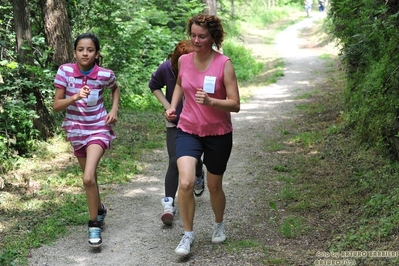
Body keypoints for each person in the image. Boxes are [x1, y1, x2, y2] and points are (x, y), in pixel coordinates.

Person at [165, 14, 240, 256]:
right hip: (188, 130)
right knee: (186, 182)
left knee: (214, 186)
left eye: (202, 36)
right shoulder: (185, 60)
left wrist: (212, 101)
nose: (196, 41)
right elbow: (179, 83)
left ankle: (218, 224)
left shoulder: (223, 64)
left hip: (218, 133)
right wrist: (172, 106)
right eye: (193, 35)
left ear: (213, 38)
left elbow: (235, 104)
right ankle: (187, 235)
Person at [53, 33, 120, 248]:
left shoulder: (104, 74)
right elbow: (56, 105)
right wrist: (75, 97)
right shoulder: (65, 72)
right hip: (76, 130)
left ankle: (93, 225)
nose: (85, 53)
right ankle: (99, 210)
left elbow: (115, 88)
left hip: (99, 127)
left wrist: (114, 110)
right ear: (75, 52)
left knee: (89, 178)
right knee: (88, 178)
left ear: (96, 53)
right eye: (81, 49)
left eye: (90, 50)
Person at [148, 40, 206, 226]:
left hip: (198, 121)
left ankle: (198, 173)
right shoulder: (167, 68)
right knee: (174, 161)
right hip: (175, 122)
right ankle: (168, 205)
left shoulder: (202, 67)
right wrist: (169, 107)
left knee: (194, 160)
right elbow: (154, 85)